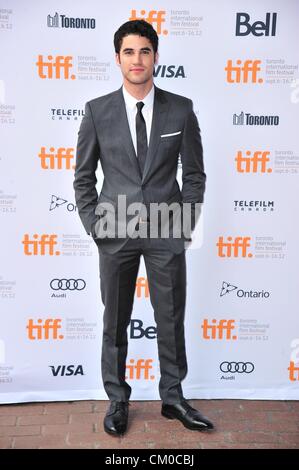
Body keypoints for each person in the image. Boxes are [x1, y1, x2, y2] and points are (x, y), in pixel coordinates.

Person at [74, 19, 214, 436]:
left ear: (156, 57)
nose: (137, 60)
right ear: (118, 58)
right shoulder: (97, 111)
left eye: (145, 51)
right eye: (129, 52)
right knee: (115, 320)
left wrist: (184, 224)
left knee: (170, 316)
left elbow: (194, 175)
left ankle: (173, 397)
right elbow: (83, 178)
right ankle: (117, 399)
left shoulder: (181, 108)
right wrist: (95, 224)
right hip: (114, 230)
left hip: (165, 230)